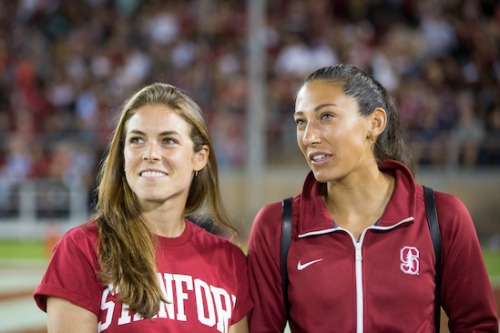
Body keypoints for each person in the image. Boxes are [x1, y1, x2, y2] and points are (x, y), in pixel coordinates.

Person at [247, 64, 498, 332]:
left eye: (327, 116)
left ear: (375, 123)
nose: (309, 136)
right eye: (301, 122)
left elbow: (477, 325)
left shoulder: (442, 216)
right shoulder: (276, 226)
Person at [34, 82, 253, 332]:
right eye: (137, 140)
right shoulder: (82, 248)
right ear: (123, 155)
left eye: (168, 140)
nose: (150, 153)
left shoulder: (230, 261)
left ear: (199, 157)